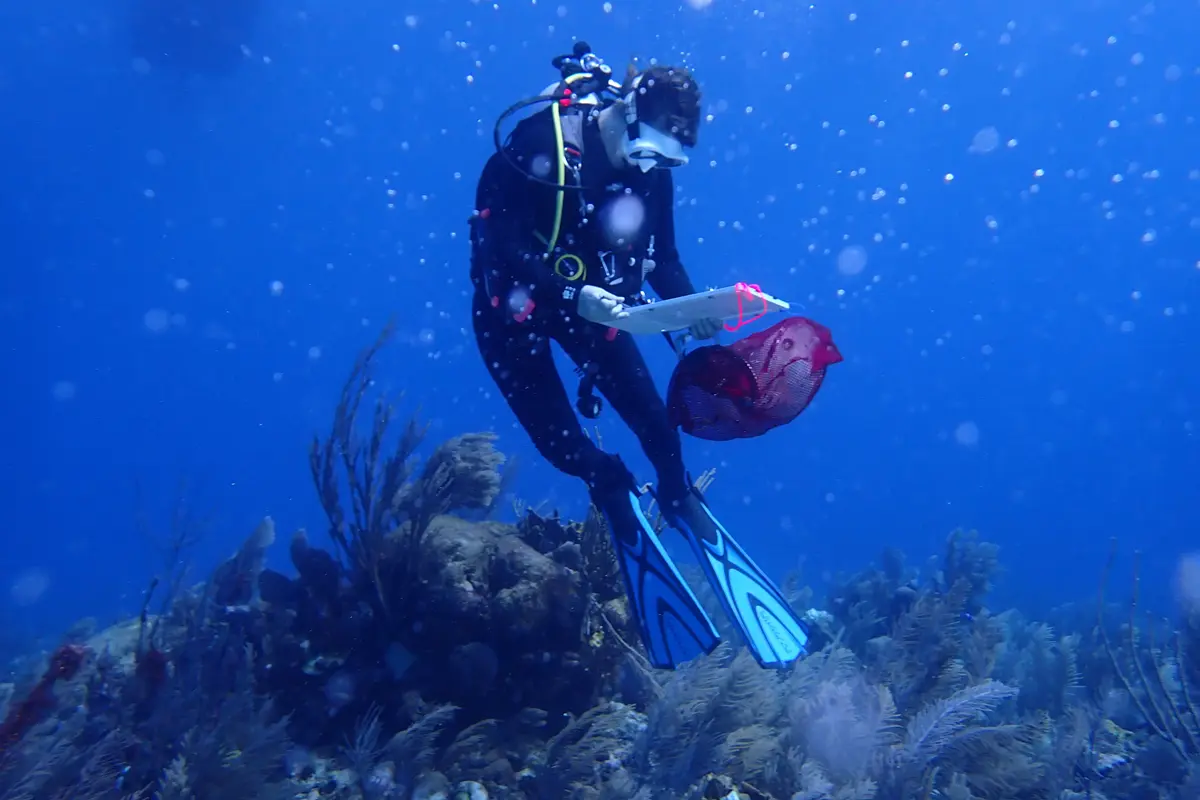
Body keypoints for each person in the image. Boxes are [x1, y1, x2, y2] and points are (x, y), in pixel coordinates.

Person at [468, 43, 811, 670]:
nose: (656, 168)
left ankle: (678, 496)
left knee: (657, 423)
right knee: (563, 446)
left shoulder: (654, 171)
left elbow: (666, 260)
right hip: (512, 312)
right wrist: (573, 294)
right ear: (625, 116)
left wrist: (694, 315)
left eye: (673, 159)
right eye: (652, 150)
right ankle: (609, 484)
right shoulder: (539, 143)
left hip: (600, 310)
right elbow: (500, 244)